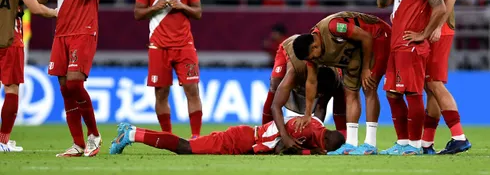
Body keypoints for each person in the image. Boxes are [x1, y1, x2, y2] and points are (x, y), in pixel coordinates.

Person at [398, 0, 471, 155]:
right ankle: (427, 144)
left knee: (434, 83)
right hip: (430, 28)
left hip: (439, 30)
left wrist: (437, 25)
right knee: (430, 86)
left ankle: (459, 136)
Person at [36, 0, 106, 157]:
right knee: (65, 89)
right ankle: (78, 144)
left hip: (84, 31)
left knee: (75, 84)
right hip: (61, 33)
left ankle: (94, 135)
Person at [377, 0, 447, 155]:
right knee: (392, 94)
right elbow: (381, 3)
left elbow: (441, 7)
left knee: (412, 94)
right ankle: (403, 142)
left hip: (412, 47)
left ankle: (415, 145)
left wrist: (424, 34)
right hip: (397, 46)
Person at [291, 12, 391, 155]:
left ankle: (370, 143)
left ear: (314, 46)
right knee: (350, 93)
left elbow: (366, 37)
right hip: (353, 56)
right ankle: (351, 143)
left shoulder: (333, 27)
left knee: (369, 87)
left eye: (313, 56)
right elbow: (311, 82)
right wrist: (308, 114)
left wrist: (365, 68)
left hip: (377, 37)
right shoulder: (311, 56)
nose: (313, 59)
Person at [134, 0, 203, 139]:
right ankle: (167, 137)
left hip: (184, 46)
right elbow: (138, 14)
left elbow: (198, 12)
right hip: (158, 46)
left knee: (192, 90)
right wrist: (154, 8)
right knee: (161, 94)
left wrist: (182, 6)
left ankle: (196, 136)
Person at [0, 0, 57, 152]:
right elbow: (34, 7)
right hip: (10, 40)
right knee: (12, 89)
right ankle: (3, 141)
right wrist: (53, 12)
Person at [109, 117, 346, 155]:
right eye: (327, 149)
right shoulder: (305, 132)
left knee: (188, 144)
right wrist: (307, 152)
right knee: (185, 148)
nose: (325, 151)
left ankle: (131, 131)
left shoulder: (315, 124)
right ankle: (130, 134)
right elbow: (274, 149)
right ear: (325, 140)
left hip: (246, 134)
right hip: (242, 140)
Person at [261, 34, 346, 131]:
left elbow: (321, 107)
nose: (318, 95)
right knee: (275, 85)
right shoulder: (294, 72)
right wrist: (285, 137)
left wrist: (314, 133)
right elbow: (276, 106)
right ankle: (264, 132)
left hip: (323, 69)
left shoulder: (335, 77)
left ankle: (345, 139)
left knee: (340, 92)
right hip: (288, 47)